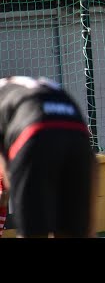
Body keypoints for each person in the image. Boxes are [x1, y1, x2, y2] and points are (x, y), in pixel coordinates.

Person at [0, 76, 98, 238]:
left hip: (34, 132)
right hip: (77, 132)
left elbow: (7, 173)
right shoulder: (19, 87)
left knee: (34, 233)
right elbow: (93, 162)